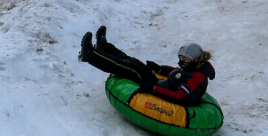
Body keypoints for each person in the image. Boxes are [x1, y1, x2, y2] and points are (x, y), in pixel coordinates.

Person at [79, 26, 216, 106]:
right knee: (133, 61)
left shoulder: (197, 77)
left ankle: (90, 55)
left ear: (192, 59)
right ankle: (104, 47)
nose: (180, 61)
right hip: (160, 83)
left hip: (159, 89)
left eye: (183, 59)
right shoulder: (194, 68)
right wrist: (160, 68)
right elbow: (178, 73)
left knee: (129, 68)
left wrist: (153, 89)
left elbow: (179, 96)